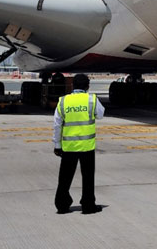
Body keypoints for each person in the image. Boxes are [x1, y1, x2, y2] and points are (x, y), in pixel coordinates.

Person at [53, 73, 104, 214]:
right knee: (88, 177)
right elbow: (101, 114)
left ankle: (62, 205)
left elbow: (57, 125)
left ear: (72, 85)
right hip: (87, 147)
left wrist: (57, 145)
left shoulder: (64, 101)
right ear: (87, 86)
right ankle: (88, 205)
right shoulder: (91, 100)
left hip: (69, 147)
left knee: (64, 178)